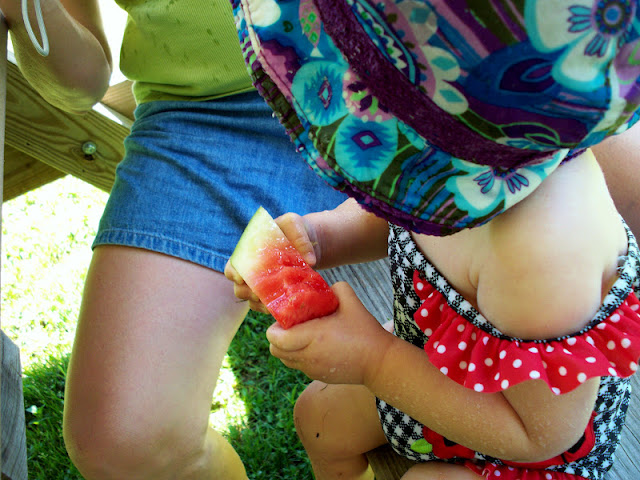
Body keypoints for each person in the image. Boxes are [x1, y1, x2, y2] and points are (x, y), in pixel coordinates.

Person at [226, 1, 640, 479]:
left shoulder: (543, 261)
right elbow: (409, 204)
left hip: (517, 439)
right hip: (430, 364)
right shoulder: (456, 168)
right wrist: (322, 238)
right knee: (317, 416)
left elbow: (540, 437)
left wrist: (374, 360)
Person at [2, 0, 350, 479]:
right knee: (124, 441)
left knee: (448, 370)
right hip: (211, 115)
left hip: (411, 73)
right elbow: (81, 82)